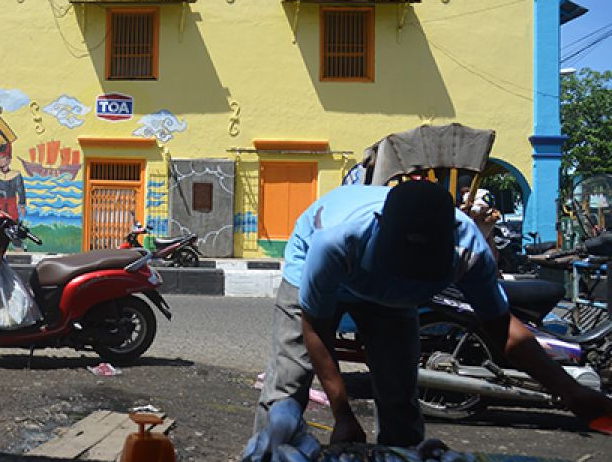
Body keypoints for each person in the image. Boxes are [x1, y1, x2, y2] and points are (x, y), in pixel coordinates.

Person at [254, 180, 612, 447]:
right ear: (380, 228)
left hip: (390, 306)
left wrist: (569, 391)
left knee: (399, 394)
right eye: (402, 263)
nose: (406, 274)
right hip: (325, 273)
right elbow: (315, 326)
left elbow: (501, 327)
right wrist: (343, 416)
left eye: (420, 266)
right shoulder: (335, 240)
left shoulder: (468, 248)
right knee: (290, 382)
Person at [0, 144, 27, 220]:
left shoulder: (16, 175)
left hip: (11, 205)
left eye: (2, 157)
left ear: (9, 160)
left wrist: (22, 206)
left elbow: (21, 191)